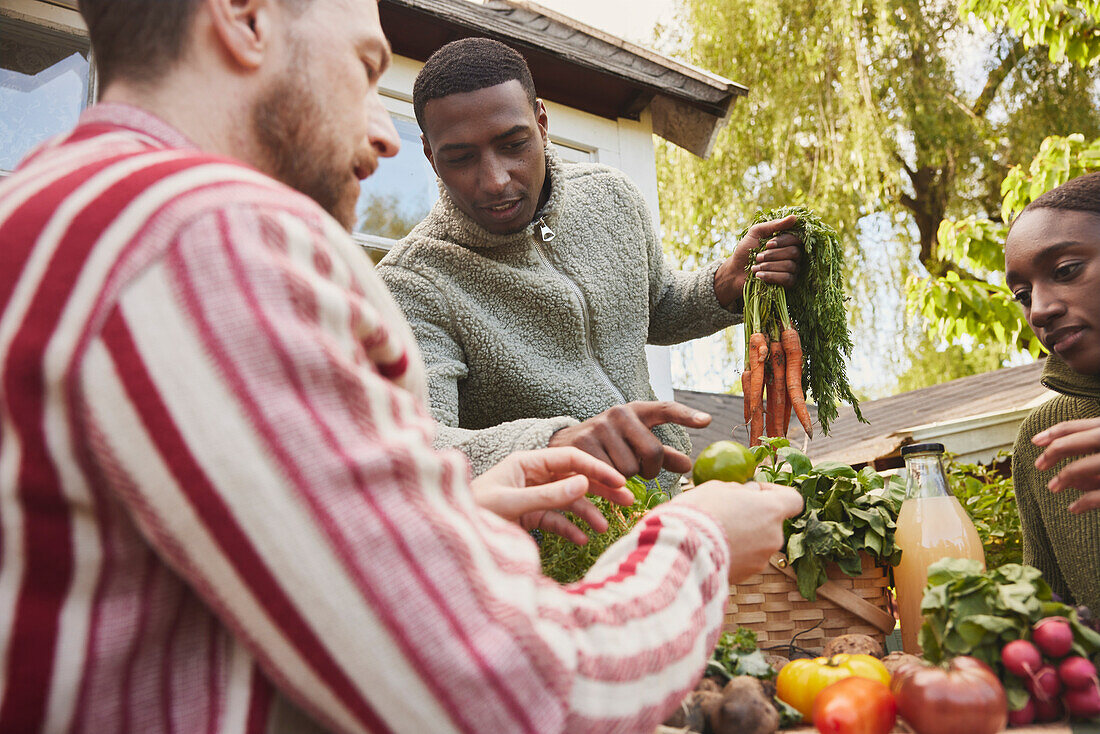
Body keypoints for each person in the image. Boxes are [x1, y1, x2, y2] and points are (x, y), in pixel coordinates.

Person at [0, 0, 805, 731]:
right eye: (364, 68)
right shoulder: (210, 242)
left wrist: (718, 293)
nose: (384, 140)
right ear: (244, 19)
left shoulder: (48, 214)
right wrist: (696, 540)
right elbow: (494, 691)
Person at [377, 38, 802, 488]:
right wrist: (554, 442)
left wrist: (723, 285)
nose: (495, 180)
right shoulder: (412, 283)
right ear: (429, 154)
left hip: (672, 500)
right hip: (562, 540)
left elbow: (655, 307)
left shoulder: (609, 198)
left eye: (513, 144)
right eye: (461, 158)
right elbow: (420, 443)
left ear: (541, 123)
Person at [1005, 170, 1100, 615]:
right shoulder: (1044, 435)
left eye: (1066, 270)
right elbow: (1048, 617)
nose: (1039, 310)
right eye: (1023, 295)